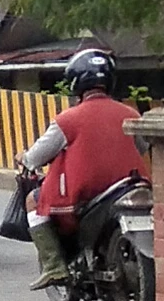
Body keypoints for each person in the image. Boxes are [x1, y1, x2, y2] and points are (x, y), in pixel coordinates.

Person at [11, 48, 146, 283]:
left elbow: (36, 157)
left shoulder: (67, 119)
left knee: (33, 200)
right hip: (130, 187)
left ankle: (53, 266)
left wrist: (23, 157)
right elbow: (142, 148)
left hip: (83, 197)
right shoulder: (132, 114)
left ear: (76, 82)